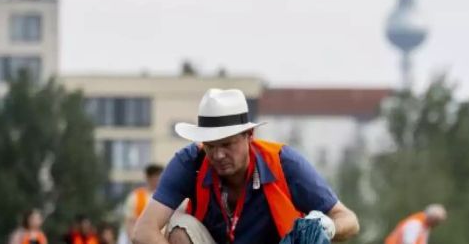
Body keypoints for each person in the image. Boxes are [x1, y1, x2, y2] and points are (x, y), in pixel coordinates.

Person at [132, 88, 360, 244]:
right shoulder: (189, 162)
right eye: (210, 146)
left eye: (227, 144)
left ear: (249, 135)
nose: (218, 154)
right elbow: (143, 231)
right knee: (180, 228)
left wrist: (327, 226)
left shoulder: (285, 164)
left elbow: (349, 220)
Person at [119, 164, 164, 244]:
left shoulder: (166, 197)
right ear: (148, 178)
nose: (157, 179)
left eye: (159, 176)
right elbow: (130, 222)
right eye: (155, 176)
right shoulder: (135, 197)